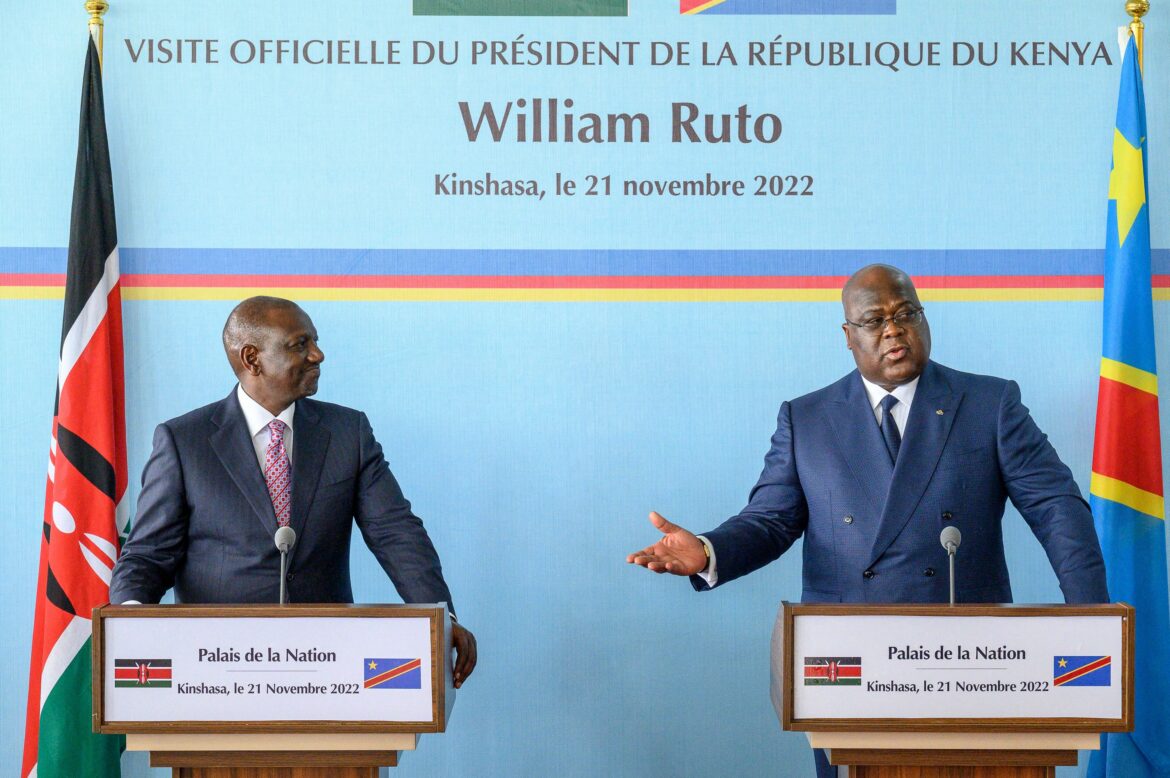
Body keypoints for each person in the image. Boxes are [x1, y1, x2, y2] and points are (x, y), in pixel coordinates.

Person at [626, 264, 1107, 777]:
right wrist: (709, 550)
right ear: (849, 335)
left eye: (906, 314)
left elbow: (1056, 507)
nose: (894, 330)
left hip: (971, 664)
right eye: (875, 320)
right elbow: (770, 520)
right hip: (847, 666)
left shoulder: (990, 403)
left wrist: (1091, 621)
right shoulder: (807, 418)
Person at [110, 296, 476, 687]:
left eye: (314, 341)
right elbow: (149, 554)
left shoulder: (347, 433)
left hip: (326, 667)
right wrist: (132, 620)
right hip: (215, 668)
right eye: (300, 344)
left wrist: (441, 618)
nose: (317, 355)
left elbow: (396, 533)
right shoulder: (185, 441)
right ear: (252, 358)